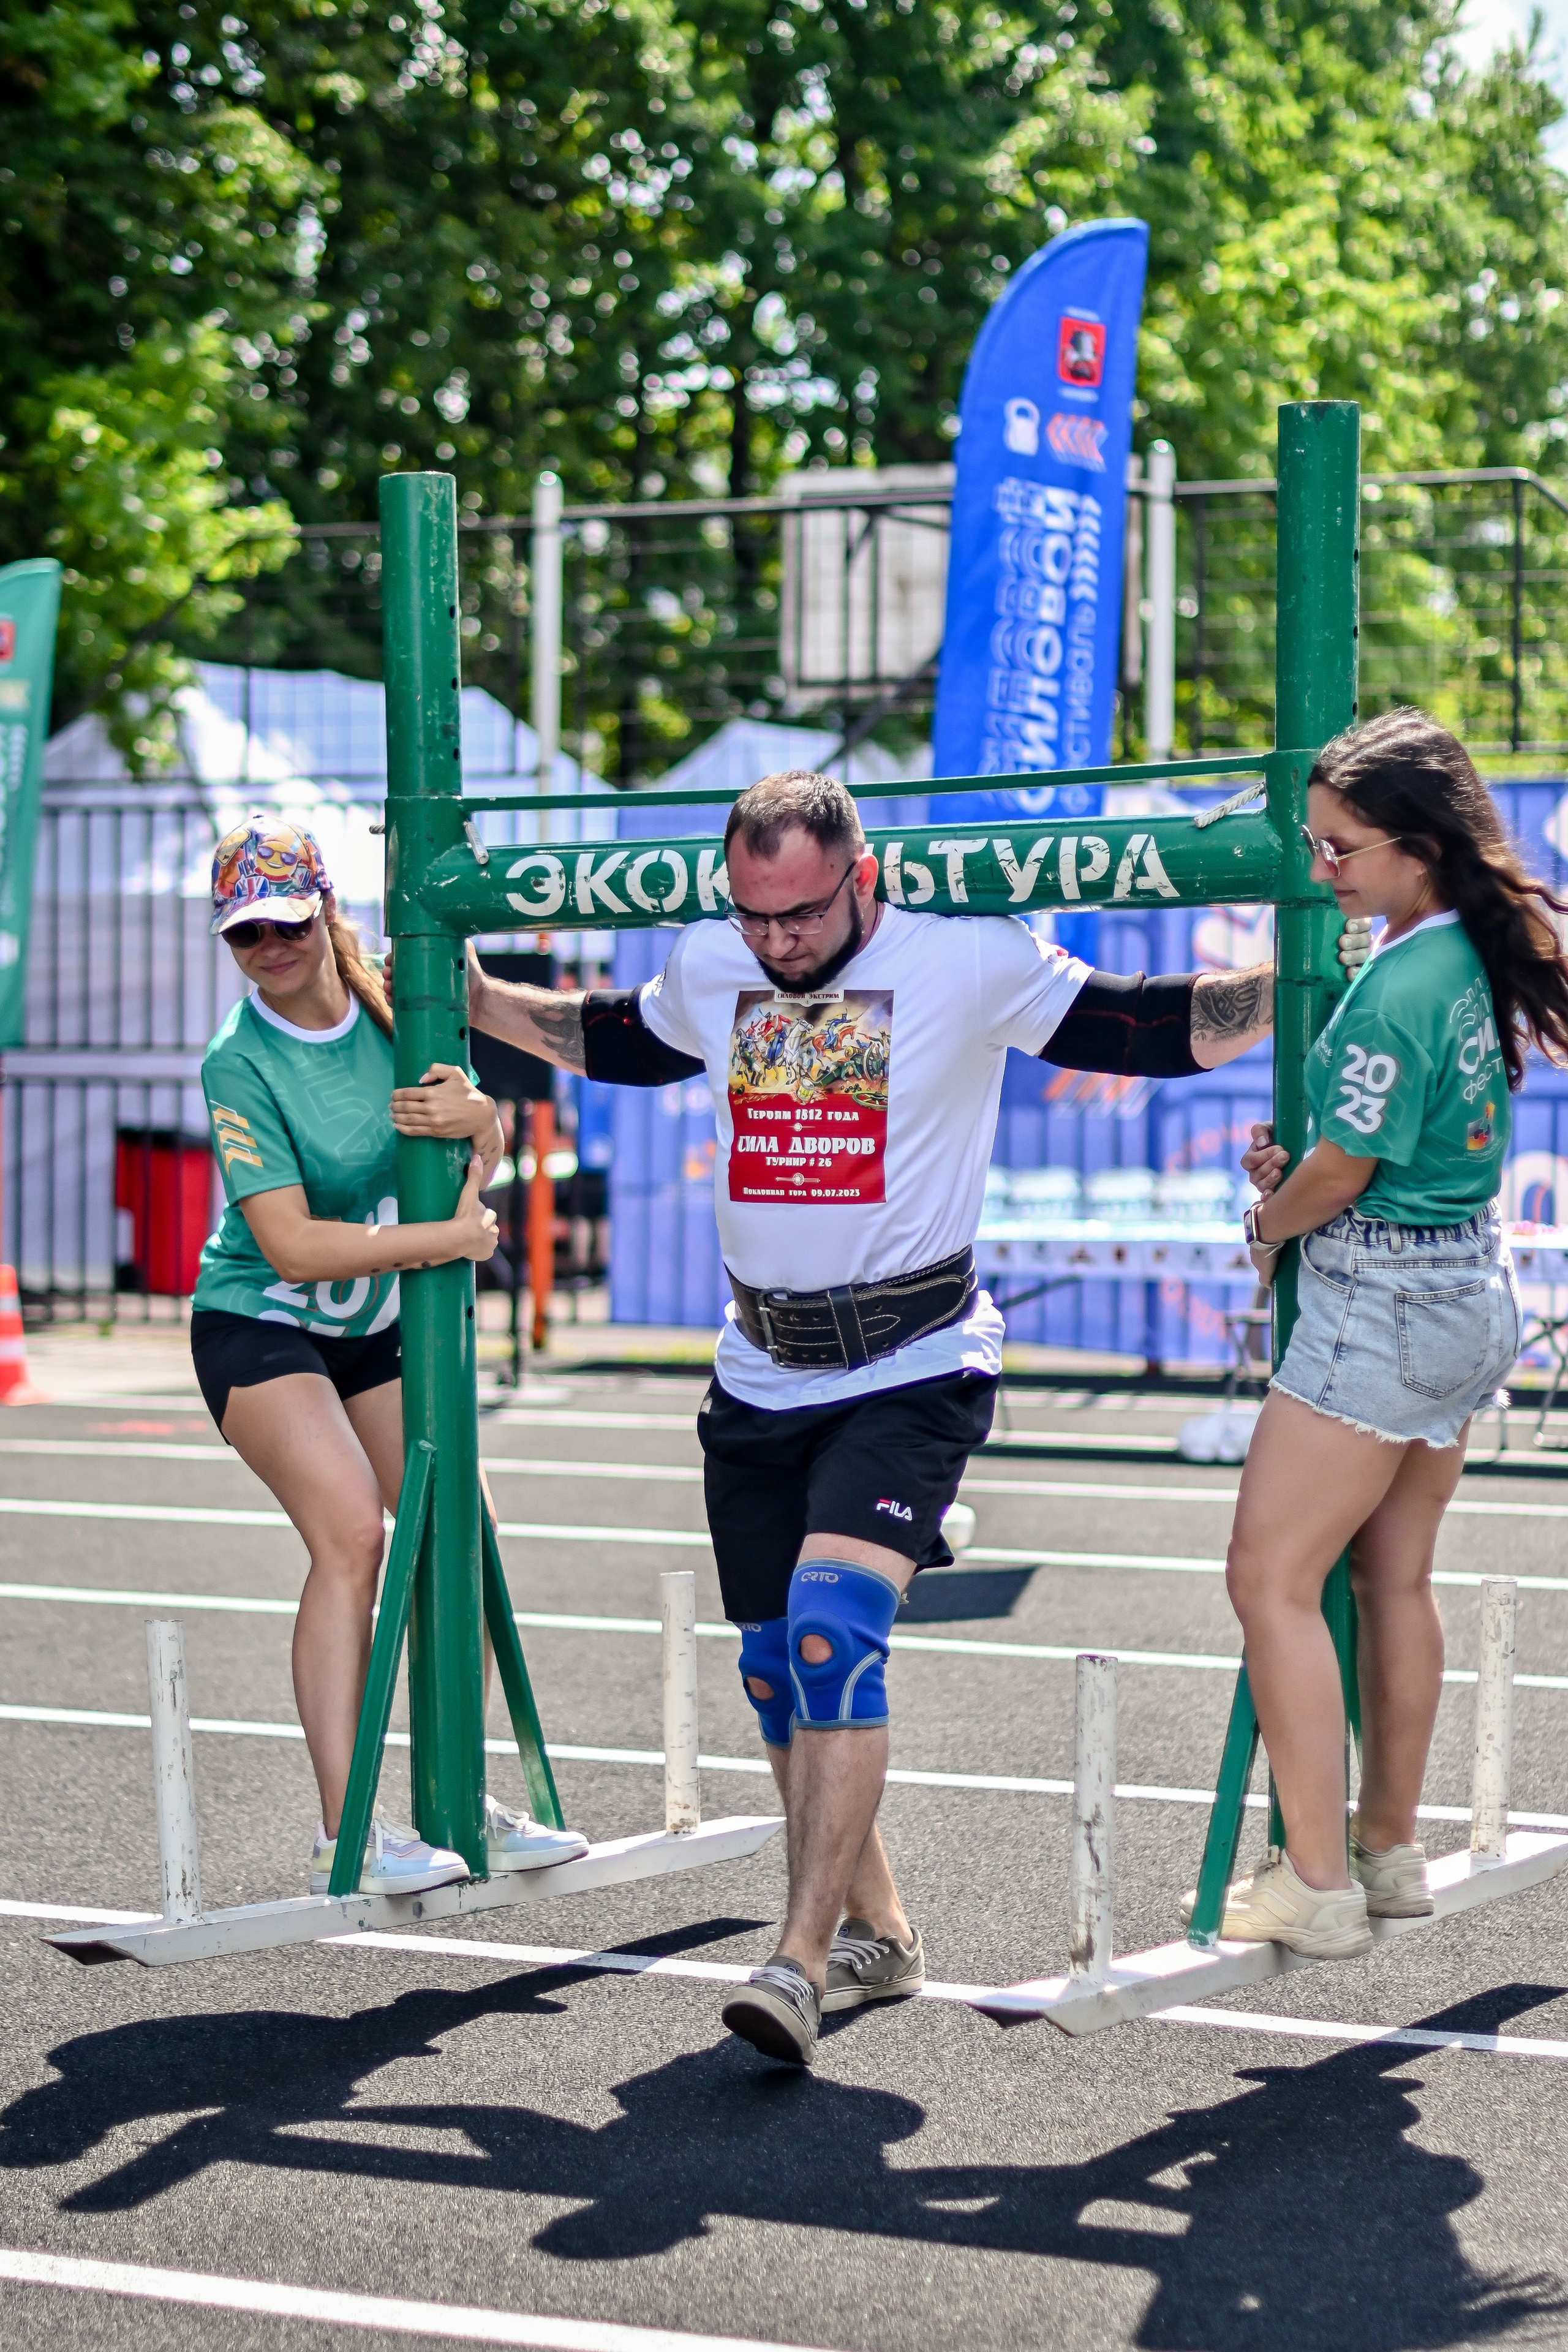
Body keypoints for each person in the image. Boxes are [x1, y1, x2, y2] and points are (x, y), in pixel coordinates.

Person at [464, 767, 1324, 2065]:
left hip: (912, 1360)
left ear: (860, 877)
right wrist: (470, 997)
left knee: (826, 1643)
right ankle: (878, 1931)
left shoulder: (963, 958)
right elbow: (621, 1039)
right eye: (755, 917)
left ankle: (797, 1965)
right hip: (758, 1372)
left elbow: (1147, 1029)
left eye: (801, 916)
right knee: (771, 1676)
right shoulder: (715, 961)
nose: (778, 945)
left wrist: (1309, 968)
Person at [1194, 709, 1568, 1957]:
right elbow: (1375, 1144)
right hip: (1465, 1288)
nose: (1319, 869)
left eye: (1337, 847)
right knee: (1391, 1576)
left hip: (1385, 1298)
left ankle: (1315, 1880)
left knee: (1267, 1579)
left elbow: (1344, 1170)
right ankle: (1384, 1850)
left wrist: (1267, 1216)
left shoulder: (1395, 978)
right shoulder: (1468, 943)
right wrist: (1299, 1178)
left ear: (1414, 846)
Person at [192, 817, 589, 1895]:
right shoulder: (237, 1061)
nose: (268, 946)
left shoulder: (392, 999)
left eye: (284, 920)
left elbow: (478, 1155)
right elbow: (289, 1243)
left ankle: (461, 1799)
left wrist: (487, 1124)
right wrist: (450, 1241)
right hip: (260, 1320)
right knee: (354, 1534)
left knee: (463, 1525)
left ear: (324, 905)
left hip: (371, 1318)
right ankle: (349, 1831)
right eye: (244, 934)